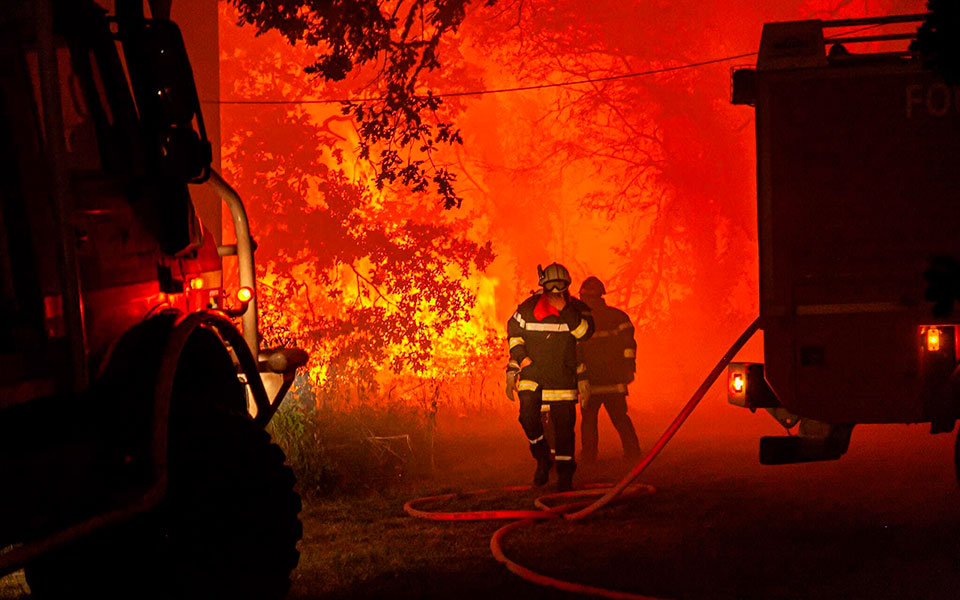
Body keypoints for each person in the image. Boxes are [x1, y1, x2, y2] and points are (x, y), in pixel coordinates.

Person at [505, 263, 594, 491]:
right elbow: (514, 334)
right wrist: (521, 360)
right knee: (527, 418)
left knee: (564, 430)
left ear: (567, 286)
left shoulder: (578, 310)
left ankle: (564, 475)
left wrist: (565, 310)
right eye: (551, 285)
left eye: (560, 285)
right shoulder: (527, 308)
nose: (556, 290)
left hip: (563, 378)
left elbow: (584, 334)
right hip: (533, 375)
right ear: (543, 286)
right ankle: (542, 458)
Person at [576, 276, 641, 465]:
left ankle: (589, 456)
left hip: (590, 382)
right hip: (614, 380)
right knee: (620, 418)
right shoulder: (618, 317)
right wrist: (628, 369)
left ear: (585, 297)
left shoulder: (579, 322)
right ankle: (633, 451)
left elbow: (575, 351)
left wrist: (579, 377)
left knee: (589, 420)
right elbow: (629, 346)